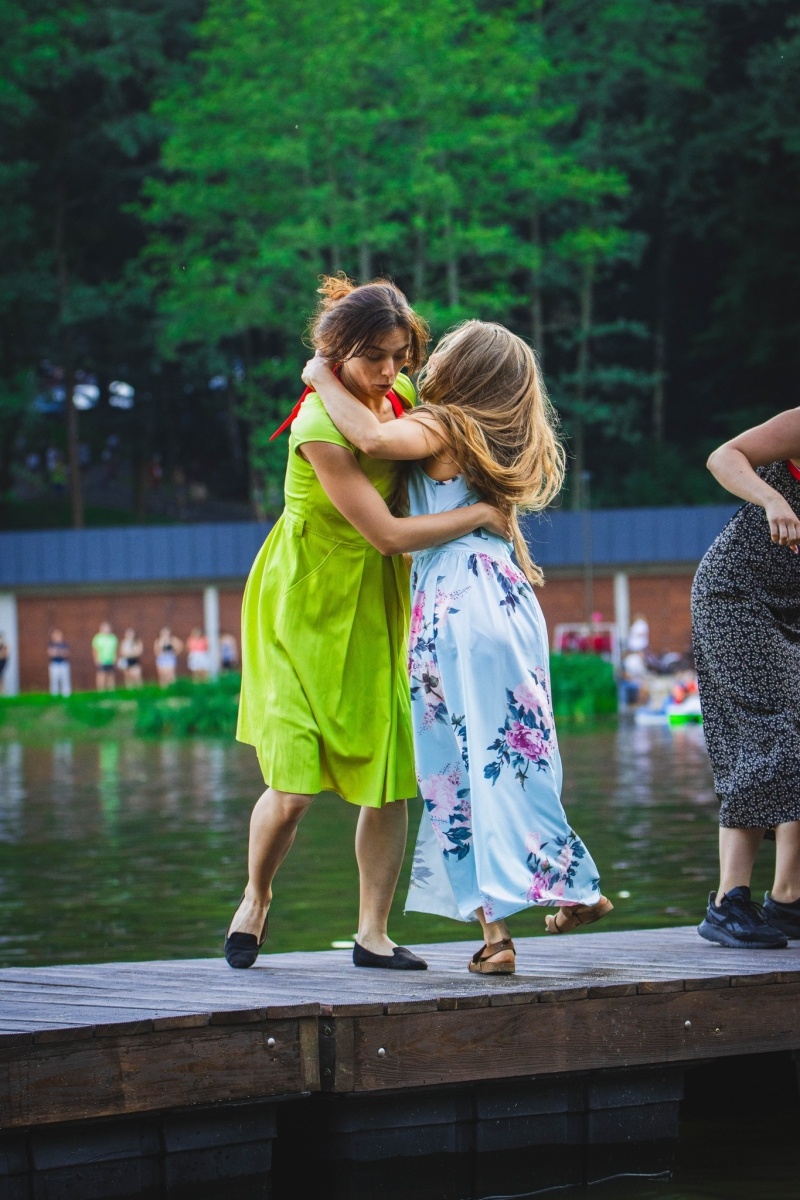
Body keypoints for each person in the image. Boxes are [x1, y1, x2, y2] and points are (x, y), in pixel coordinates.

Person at [305, 319, 611, 976]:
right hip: (508, 600)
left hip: (455, 605)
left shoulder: (444, 425)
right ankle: (531, 914)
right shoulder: (506, 437)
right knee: (517, 755)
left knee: (453, 771)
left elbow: (371, 438)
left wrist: (320, 376)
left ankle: (535, 909)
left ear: (462, 369)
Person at [226, 276, 509, 973]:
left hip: (379, 602)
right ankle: (257, 896)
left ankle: (371, 934)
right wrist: (478, 515)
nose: (389, 371)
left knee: (389, 776)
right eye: (373, 357)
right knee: (293, 789)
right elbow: (385, 532)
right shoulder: (317, 428)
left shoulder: (400, 394)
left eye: (398, 355)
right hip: (303, 604)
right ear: (336, 351)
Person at [692, 409, 800, 948]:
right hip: (734, 596)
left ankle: (788, 899)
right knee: (774, 736)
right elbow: (723, 456)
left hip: (791, 608)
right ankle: (727, 902)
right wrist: (772, 498)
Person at [91, 622, 117, 691]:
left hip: (110, 660)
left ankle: (111, 691)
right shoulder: (97, 638)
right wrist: (96, 660)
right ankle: (101, 691)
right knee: (101, 676)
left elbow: (115, 650)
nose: (107, 629)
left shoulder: (113, 638)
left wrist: (115, 659)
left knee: (110, 676)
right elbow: (94, 650)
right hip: (101, 660)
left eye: (108, 628)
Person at [48, 629, 71, 697]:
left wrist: (57, 652)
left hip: (63, 663)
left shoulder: (64, 644)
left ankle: (66, 695)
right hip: (54, 664)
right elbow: (51, 654)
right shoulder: (51, 644)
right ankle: (54, 695)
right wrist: (60, 652)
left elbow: (66, 653)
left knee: (65, 679)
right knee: (54, 680)